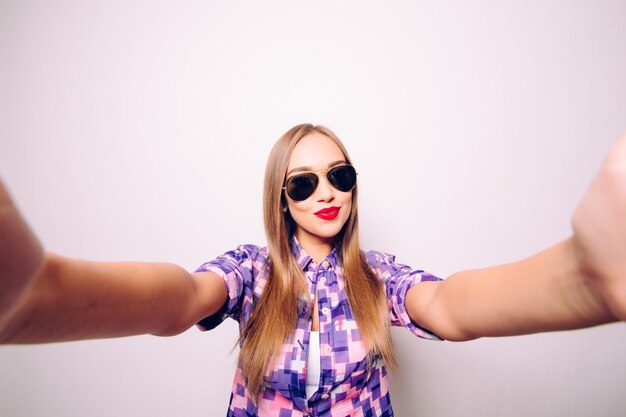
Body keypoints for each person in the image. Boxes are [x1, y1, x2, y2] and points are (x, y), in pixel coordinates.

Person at [0, 123, 625, 417]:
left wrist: (583, 278)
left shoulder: (376, 279)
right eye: (304, 181)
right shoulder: (254, 274)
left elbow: (454, 307)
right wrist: (39, 294)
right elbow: (181, 298)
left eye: (340, 175)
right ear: (282, 198)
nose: (327, 192)